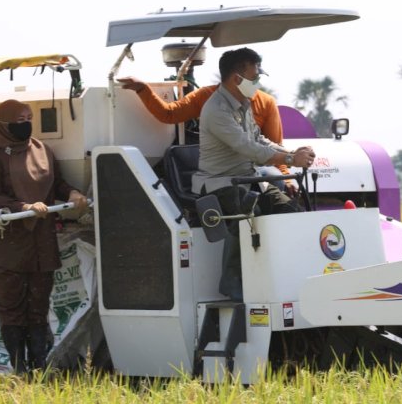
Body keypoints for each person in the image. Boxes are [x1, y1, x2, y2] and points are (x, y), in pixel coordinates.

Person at [191, 48, 315, 300]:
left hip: (247, 180)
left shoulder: (243, 104)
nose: (258, 81)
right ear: (237, 78)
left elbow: (260, 139)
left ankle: (289, 275)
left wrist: (291, 151)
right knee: (248, 211)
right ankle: (231, 282)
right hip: (217, 183)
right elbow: (249, 148)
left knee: (289, 211)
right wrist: (291, 159)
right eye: (255, 75)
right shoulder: (216, 110)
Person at [0, 100, 87, 374]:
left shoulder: (42, 150)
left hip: (41, 243)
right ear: (2, 123)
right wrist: (24, 207)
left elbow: (56, 184)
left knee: (39, 307)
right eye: (19, 118)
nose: (26, 123)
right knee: (12, 308)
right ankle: (19, 368)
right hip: (7, 247)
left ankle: (39, 368)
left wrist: (72, 193)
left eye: (29, 117)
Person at [116, 75, 298, 194]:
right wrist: (142, 89)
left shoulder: (266, 102)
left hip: (252, 170)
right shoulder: (208, 97)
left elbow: (271, 143)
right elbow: (169, 114)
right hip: (221, 175)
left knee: (276, 181)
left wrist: (286, 176)